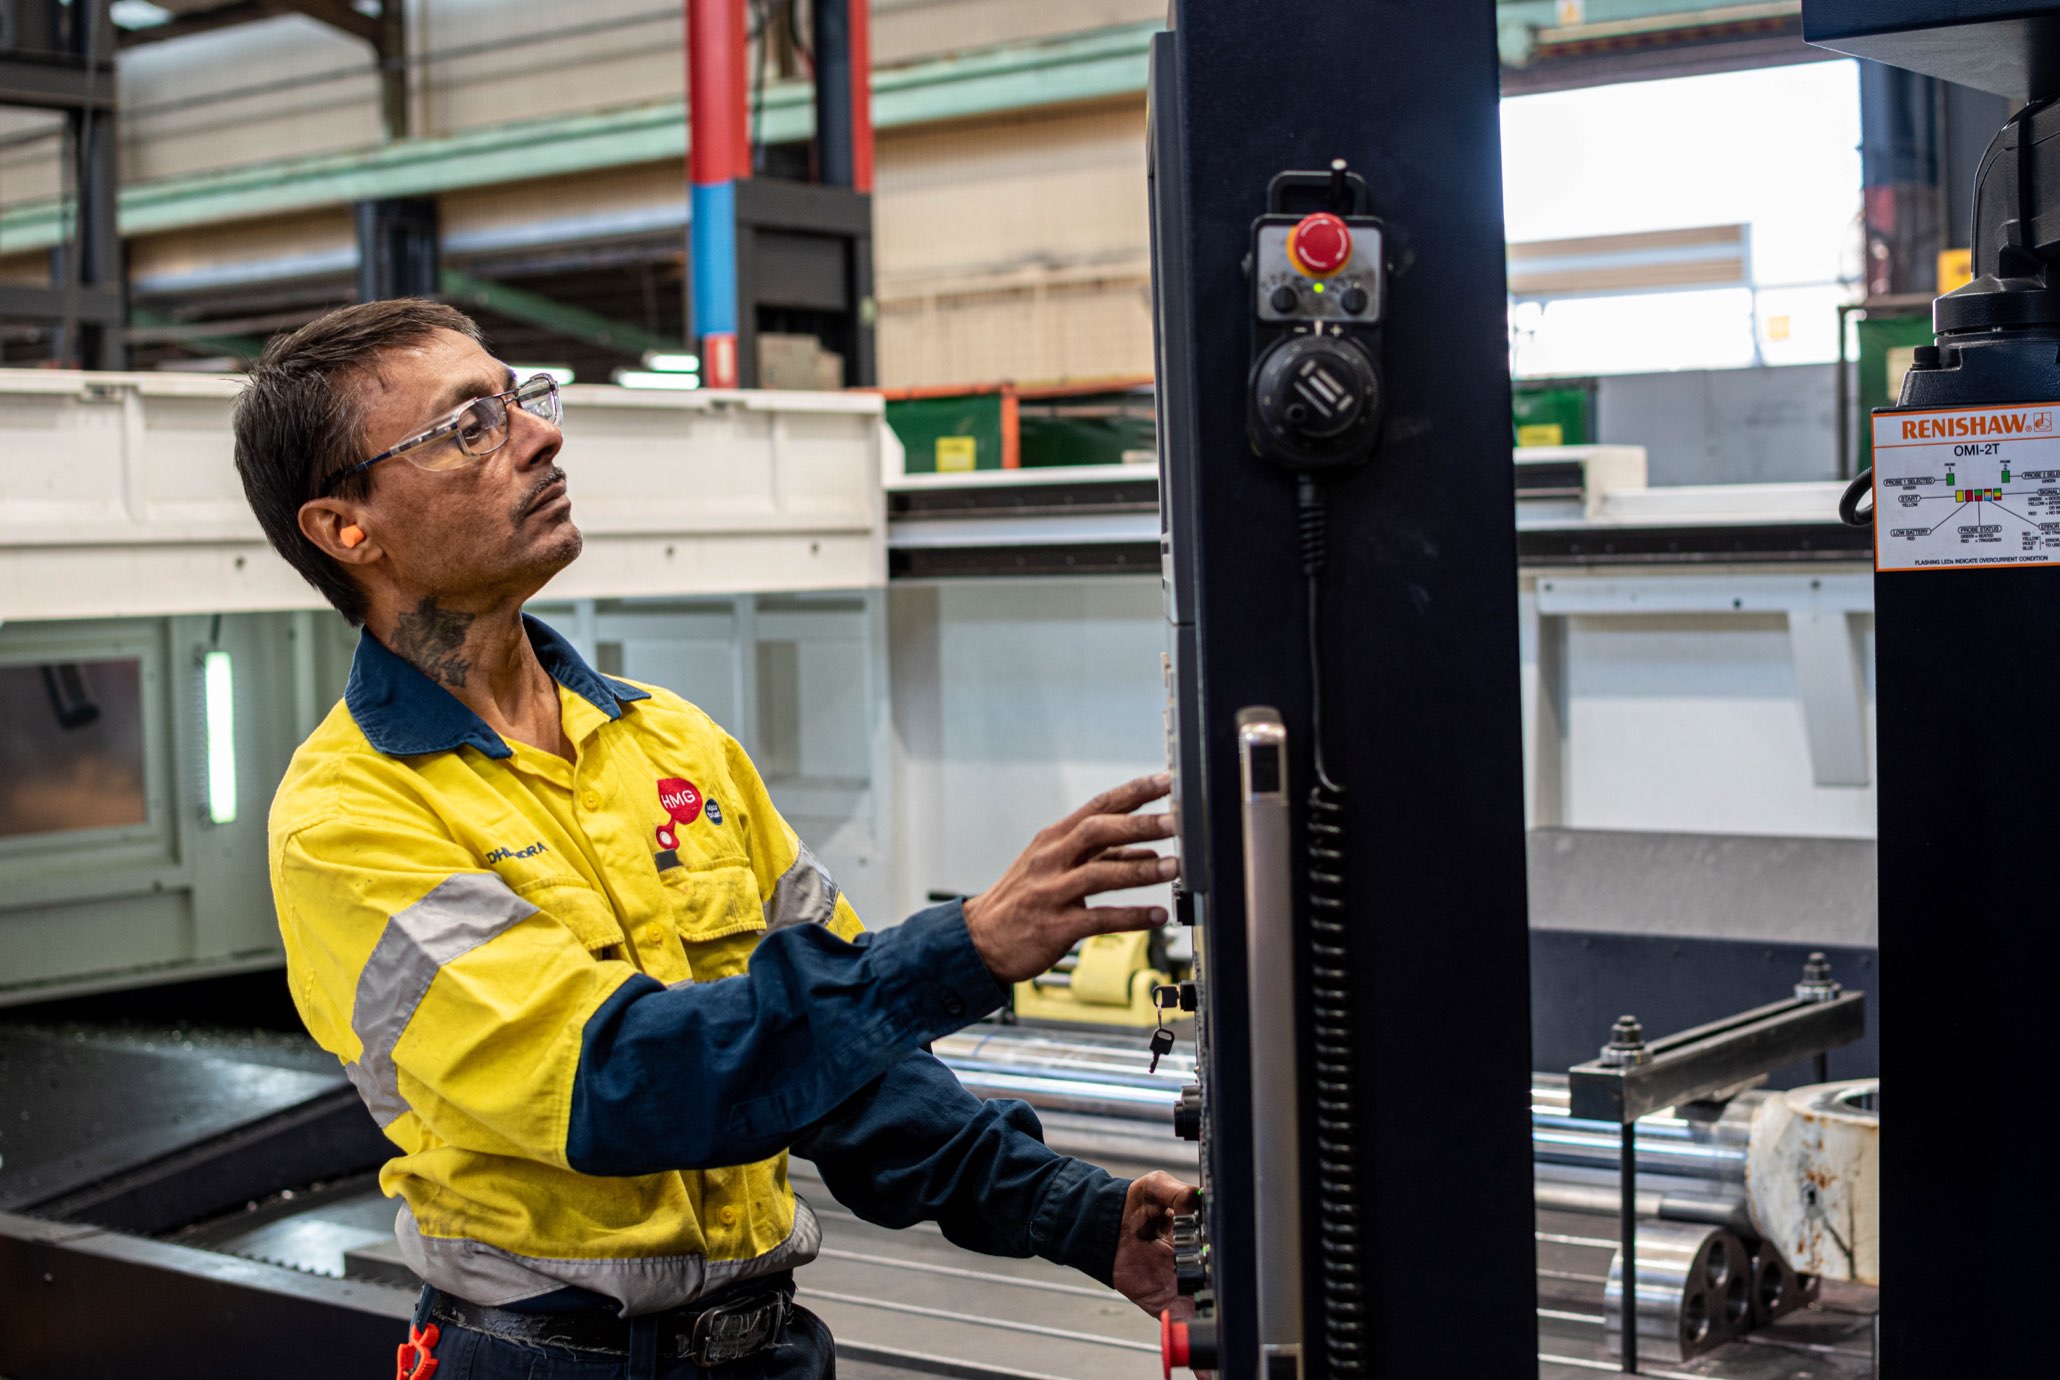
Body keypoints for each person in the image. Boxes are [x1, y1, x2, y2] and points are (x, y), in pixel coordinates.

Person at [232, 300, 1196, 1379]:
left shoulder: (673, 744)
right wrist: (959, 947)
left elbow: (846, 1069)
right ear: (344, 529)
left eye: (520, 400)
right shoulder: (350, 820)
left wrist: (1076, 1213)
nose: (540, 436)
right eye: (469, 426)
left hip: (769, 1351)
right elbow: (621, 1083)